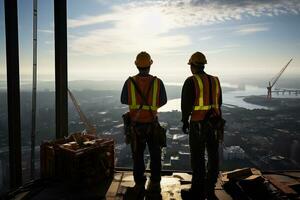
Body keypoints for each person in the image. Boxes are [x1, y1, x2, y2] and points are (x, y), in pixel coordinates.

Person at [120, 51, 167, 197]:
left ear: (137, 65)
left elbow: (123, 100)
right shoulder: (157, 82)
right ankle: (155, 183)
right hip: (152, 124)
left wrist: (137, 104)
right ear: (150, 65)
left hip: (136, 126)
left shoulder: (130, 82)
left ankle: (139, 184)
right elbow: (163, 101)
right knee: (155, 155)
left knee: (138, 156)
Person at [181, 52, 223, 200]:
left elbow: (186, 106)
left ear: (192, 66)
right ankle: (210, 187)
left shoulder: (191, 81)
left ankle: (197, 190)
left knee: (198, 158)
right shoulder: (215, 80)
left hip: (198, 125)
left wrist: (185, 121)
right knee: (213, 155)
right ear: (203, 65)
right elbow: (219, 102)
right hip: (215, 123)